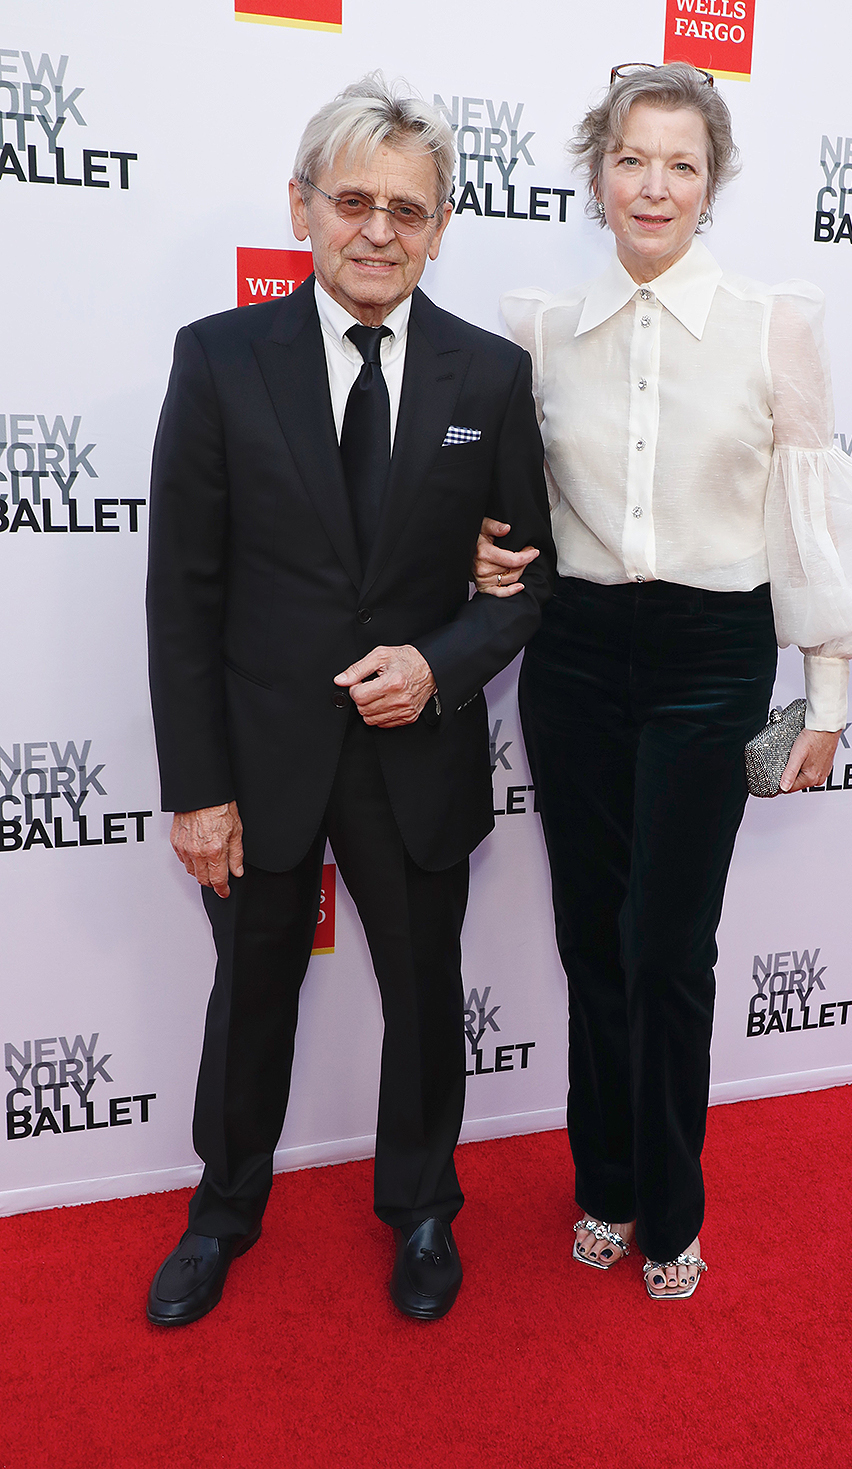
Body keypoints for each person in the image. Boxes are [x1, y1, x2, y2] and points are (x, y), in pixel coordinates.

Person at [476, 63, 852, 1300]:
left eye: (681, 163)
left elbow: (807, 525)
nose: (654, 184)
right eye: (632, 157)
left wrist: (828, 701)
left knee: (668, 945)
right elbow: (507, 511)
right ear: (596, 172)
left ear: (712, 183)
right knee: (592, 941)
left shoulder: (771, 323)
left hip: (710, 657)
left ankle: (671, 1208)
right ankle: (606, 1182)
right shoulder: (539, 330)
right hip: (573, 655)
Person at [145, 74, 554, 1326]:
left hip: (416, 753)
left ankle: (424, 1208)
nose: (379, 231)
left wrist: (441, 663)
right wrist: (198, 788)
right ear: (304, 206)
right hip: (262, 759)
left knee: (428, 995)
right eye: (354, 201)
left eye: (409, 210)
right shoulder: (218, 360)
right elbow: (182, 597)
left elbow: (523, 588)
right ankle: (223, 1210)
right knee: (250, 991)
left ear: (442, 226)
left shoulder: (489, 377)